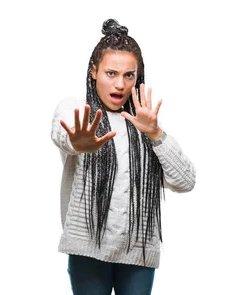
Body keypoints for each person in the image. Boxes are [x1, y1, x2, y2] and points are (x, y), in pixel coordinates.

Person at [50, 19, 196, 295]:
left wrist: (155, 134)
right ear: (94, 72)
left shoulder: (146, 125)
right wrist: (77, 141)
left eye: (129, 75)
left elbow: (186, 181)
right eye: (111, 73)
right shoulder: (77, 110)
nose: (120, 84)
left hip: (139, 254)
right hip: (88, 251)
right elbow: (64, 131)